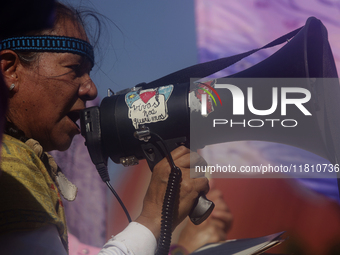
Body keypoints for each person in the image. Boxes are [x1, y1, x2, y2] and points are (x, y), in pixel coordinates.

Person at [0, 2, 209, 255]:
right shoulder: (9, 164)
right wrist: (153, 218)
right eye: (74, 70)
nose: (91, 90)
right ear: (10, 70)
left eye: (88, 72)